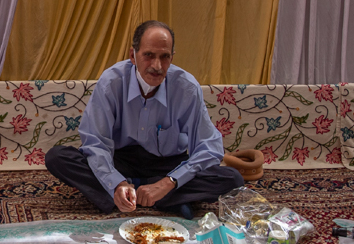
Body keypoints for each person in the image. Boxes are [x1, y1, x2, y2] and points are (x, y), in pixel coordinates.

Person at [45, 20, 243, 216]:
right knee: (58, 158)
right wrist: (116, 181)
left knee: (232, 179)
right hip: (120, 159)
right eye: (148, 55)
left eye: (164, 57)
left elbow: (210, 147)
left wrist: (170, 181)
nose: (157, 66)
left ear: (172, 58)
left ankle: (142, 193)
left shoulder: (186, 87)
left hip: (167, 164)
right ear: (133, 55)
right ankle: (157, 197)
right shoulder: (111, 82)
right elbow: (96, 142)